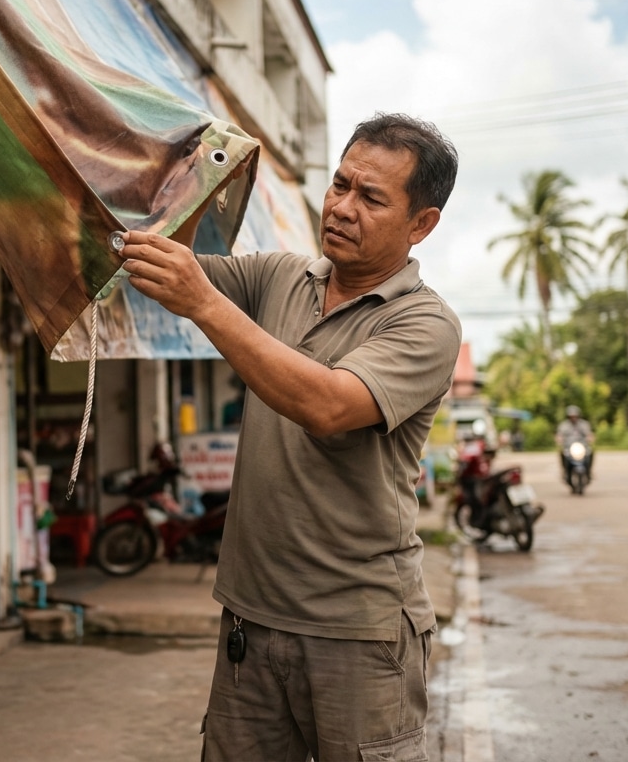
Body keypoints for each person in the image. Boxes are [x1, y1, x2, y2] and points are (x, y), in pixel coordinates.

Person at [118, 112, 460, 760]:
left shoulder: (426, 324)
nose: (341, 207)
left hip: (360, 633)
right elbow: (177, 268)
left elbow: (328, 404)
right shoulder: (280, 277)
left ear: (422, 224)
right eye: (339, 185)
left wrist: (205, 303)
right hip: (250, 620)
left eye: (371, 197)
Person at [554, 405, 595, 486]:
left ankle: (589, 471)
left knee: (590, 452)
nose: (573, 418)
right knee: (562, 453)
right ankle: (565, 471)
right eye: (572, 416)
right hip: (569, 447)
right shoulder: (564, 425)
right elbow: (559, 435)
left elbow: (589, 434)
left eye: (575, 416)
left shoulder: (584, 424)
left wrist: (590, 438)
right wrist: (559, 439)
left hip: (582, 446)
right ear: (569, 416)